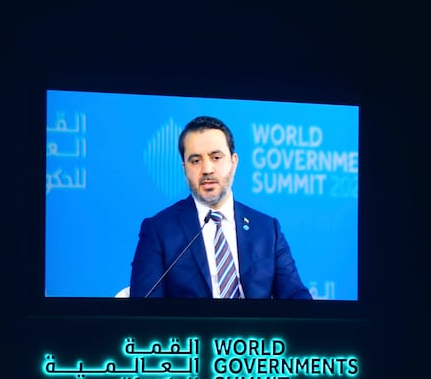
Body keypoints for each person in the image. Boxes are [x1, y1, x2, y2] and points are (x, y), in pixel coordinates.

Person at [129, 115, 313, 299]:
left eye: (216, 157)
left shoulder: (267, 229)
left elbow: (296, 298)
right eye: (195, 161)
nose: (207, 169)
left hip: (256, 328)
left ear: (234, 162)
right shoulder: (159, 230)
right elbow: (145, 308)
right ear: (184, 168)